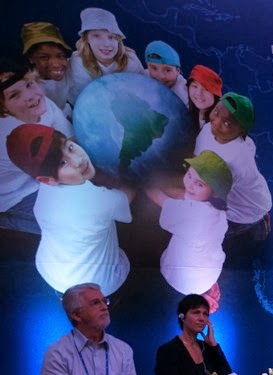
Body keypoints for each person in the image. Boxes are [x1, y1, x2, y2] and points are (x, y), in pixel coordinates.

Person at [7, 124, 131, 295]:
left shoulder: (44, 191)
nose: (78, 160)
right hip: (100, 285)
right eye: (63, 163)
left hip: (53, 274)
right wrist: (137, 172)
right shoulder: (95, 200)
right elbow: (126, 196)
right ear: (47, 180)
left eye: (70, 147)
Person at [145, 150, 232, 312]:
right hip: (210, 274)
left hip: (180, 280)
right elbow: (183, 195)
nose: (190, 185)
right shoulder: (219, 210)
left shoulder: (192, 214)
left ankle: (197, 295)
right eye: (190, 175)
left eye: (199, 184)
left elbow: (157, 196)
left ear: (214, 192)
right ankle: (201, 291)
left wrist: (142, 179)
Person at [194, 92, 272, 267]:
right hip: (254, 199)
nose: (216, 121)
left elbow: (207, 197)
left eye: (227, 123)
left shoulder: (231, 162)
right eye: (216, 112)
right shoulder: (210, 130)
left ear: (240, 131)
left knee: (211, 243)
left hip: (242, 215)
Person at [0, 58, 73, 234]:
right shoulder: (9, 137)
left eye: (29, 84)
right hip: (14, 197)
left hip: (41, 180)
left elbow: (71, 140)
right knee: (69, 226)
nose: (30, 96)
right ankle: (7, 219)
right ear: (4, 109)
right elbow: (60, 172)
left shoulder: (43, 104)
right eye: (14, 95)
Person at [155, 294, 232, 375]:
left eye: (205, 314)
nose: (201, 318)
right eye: (196, 312)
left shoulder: (207, 347)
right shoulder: (168, 350)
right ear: (182, 316)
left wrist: (213, 345)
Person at [67, 7, 144, 103]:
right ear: (86, 39)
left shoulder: (130, 61)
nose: (106, 44)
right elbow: (83, 99)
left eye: (111, 37)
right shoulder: (78, 61)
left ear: (119, 40)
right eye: (96, 36)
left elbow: (143, 91)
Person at [20, 22, 73, 114]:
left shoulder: (71, 66)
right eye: (44, 57)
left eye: (61, 56)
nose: (56, 64)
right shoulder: (27, 87)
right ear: (31, 59)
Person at [144, 40, 188, 105]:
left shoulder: (184, 97)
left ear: (178, 71)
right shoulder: (142, 76)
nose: (161, 76)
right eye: (154, 68)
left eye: (168, 70)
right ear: (147, 66)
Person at [187, 64, 222, 131]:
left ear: (216, 95)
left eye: (206, 89)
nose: (198, 93)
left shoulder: (220, 124)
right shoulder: (188, 111)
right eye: (195, 86)